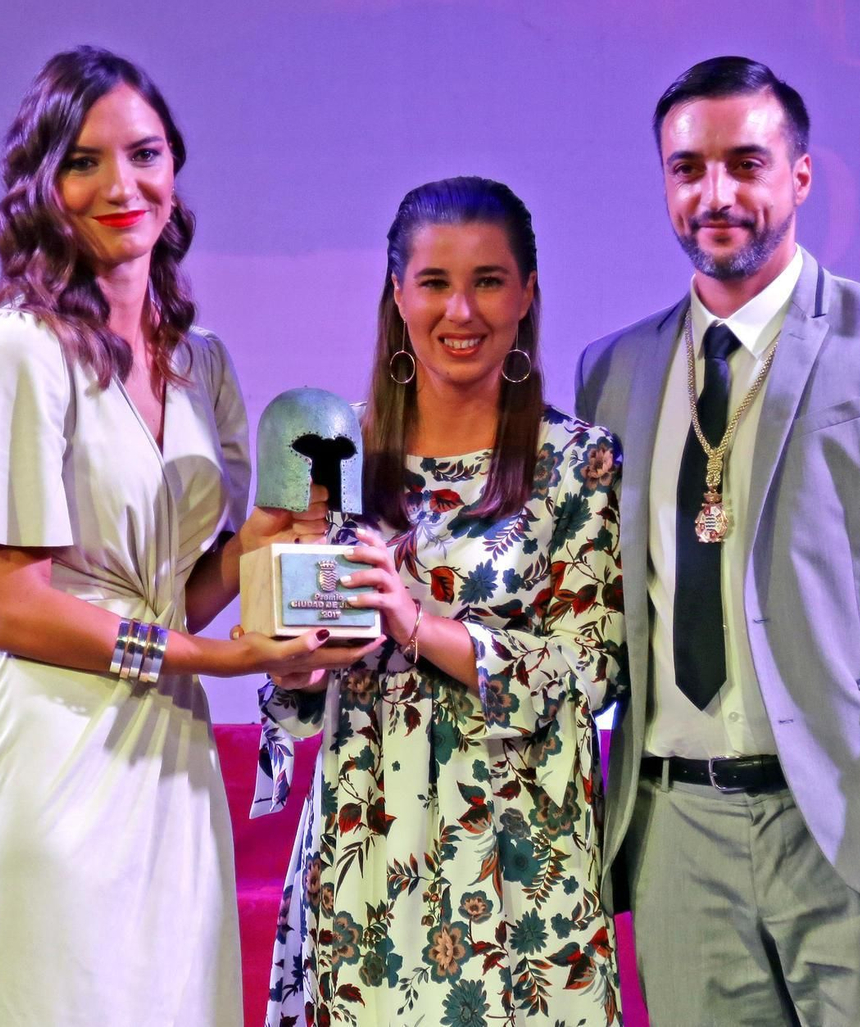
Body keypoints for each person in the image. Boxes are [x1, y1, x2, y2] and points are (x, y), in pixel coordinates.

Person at [0, 47, 375, 1026]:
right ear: (45, 187)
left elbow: (181, 584)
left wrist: (280, 540)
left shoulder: (199, 362)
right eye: (85, 161)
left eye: (145, 153)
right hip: (50, 768)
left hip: (169, 767)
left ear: (174, 170)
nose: (121, 184)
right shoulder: (17, 351)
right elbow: (12, 610)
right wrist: (210, 657)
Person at [575, 56, 860, 1025]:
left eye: (745, 163)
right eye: (686, 169)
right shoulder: (613, 370)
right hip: (676, 832)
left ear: (800, 177)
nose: (715, 193)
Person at [253, 177, 626, 1026]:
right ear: (397, 292)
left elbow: (590, 670)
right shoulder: (331, 455)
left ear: (527, 294)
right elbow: (290, 696)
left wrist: (417, 625)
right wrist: (303, 657)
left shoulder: (579, 462)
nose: (462, 309)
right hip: (367, 843)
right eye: (434, 282)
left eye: (489, 281)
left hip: (523, 857)